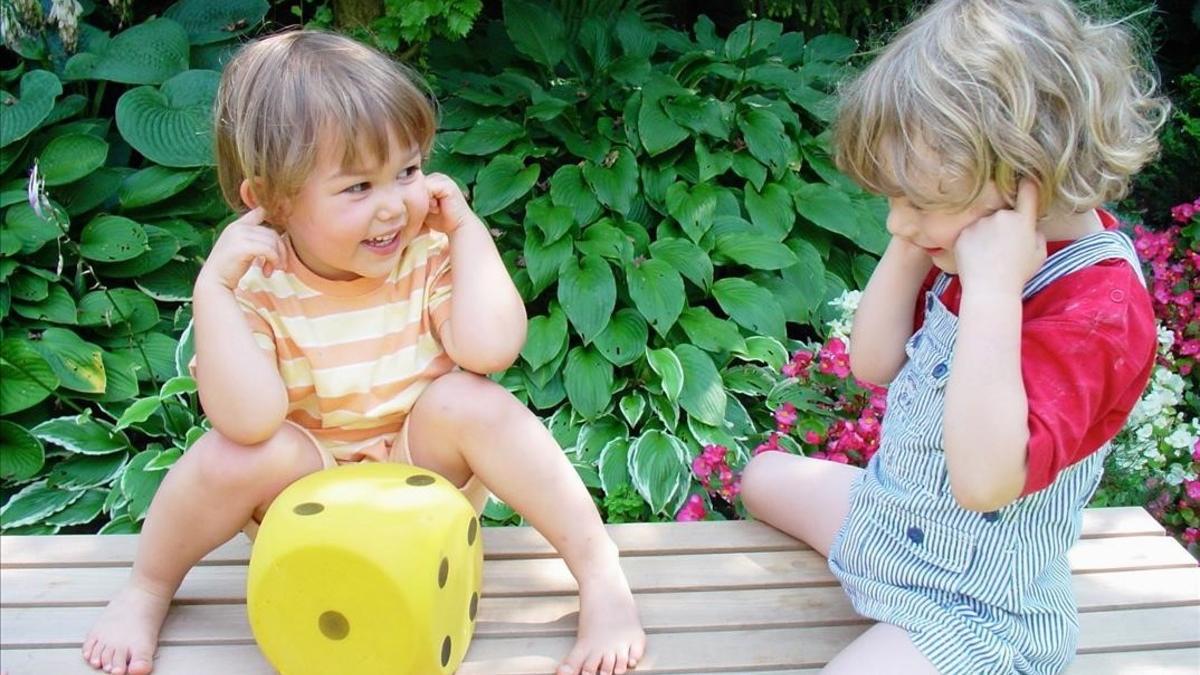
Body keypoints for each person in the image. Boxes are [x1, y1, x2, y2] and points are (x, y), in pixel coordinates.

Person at [82, 29, 645, 675]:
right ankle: (147, 588)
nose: (392, 207)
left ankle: (600, 572)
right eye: (357, 187)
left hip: (419, 475)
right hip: (301, 491)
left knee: (471, 400)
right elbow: (247, 421)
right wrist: (213, 287)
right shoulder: (256, 285)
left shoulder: (426, 255)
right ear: (271, 201)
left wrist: (466, 230)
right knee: (231, 454)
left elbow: (490, 350)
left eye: (406, 171)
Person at [740, 1, 1167, 673]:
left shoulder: (1100, 312)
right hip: (891, 526)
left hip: (974, 609)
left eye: (916, 201)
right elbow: (874, 363)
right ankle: (881, 582)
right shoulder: (960, 241)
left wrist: (996, 290)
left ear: (1025, 181)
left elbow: (983, 481)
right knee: (761, 475)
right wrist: (916, 244)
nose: (895, 222)